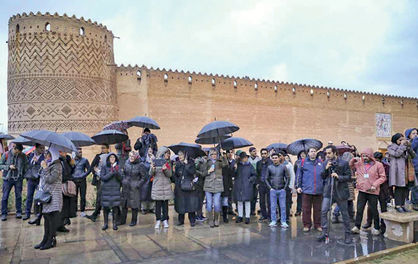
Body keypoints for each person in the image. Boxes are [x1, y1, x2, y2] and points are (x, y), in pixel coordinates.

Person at [317, 145, 352, 245]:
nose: (327, 155)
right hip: (328, 191)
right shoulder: (325, 163)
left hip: (341, 192)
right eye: (326, 153)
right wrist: (326, 169)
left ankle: (348, 235)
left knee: (345, 214)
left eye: (329, 153)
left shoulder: (344, 163)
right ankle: (324, 233)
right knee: (323, 211)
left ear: (335, 153)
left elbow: (349, 177)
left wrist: (339, 176)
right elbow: (322, 176)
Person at [350, 148, 386, 236]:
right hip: (362, 190)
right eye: (363, 156)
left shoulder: (378, 165)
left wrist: (375, 184)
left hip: (372, 191)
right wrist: (353, 159)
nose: (365, 158)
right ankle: (357, 226)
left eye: (366, 156)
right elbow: (350, 166)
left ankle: (376, 227)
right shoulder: (359, 164)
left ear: (370, 156)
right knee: (359, 209)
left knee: (374, 209)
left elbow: (383, 177)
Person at [34, 148, 62, 250]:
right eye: (46, 154)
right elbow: (41, 176)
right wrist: (43, 166)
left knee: (51, 219)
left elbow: (50, 179)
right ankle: (45, 239)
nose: (46, 156)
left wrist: (45, 168)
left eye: (48, 154)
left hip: (54, 196)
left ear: (53, 155)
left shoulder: (57, 166)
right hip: (46, 195)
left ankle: (51, 240)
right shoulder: (49, 164)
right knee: (46, 217)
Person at [296, 147, 325, 232]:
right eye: (311, 151)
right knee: (306, 209)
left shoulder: (321, 163)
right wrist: (298, 186)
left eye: (314, 151)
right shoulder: (303, 162)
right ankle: (307, 225)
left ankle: (318, 225)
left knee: (318, 209)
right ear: (308, 153)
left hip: (318, 190)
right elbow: (299, 175)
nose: (313, 153)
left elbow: (324, 175)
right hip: (306, 190)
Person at [363, 152, 390, 233]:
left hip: (382, 189)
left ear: (381, 159)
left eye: (377, 159)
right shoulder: (369, 165)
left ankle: (383, 224)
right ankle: (369, 222)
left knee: (383, 207)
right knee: (371, 206)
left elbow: (386, 177)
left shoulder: (386, 166)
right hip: (372, 189)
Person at [387, 133, 415, 213]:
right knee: (399, 188)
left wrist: (409, 147)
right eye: (400, 140)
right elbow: (397, 154)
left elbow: (413, 155)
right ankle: (397, 205)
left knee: (405, 188)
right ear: (395, 140)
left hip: (406, 170)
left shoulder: (405, 147)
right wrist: (402, 146)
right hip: (397, 171)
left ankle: (402, 205)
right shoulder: (390, 147)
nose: (402, 141)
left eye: (403, 139)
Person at [1, 143, 27, 221]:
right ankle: (4, 213)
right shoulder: (6, 154)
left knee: (18, 196)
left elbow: (26, 165)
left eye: (20, 152)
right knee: (5, 196)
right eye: (17, 152)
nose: (18, 153)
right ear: (14, 148)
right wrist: (8, 166)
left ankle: (18, 212)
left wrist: (23, 174)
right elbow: (0, 165)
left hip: (18, 179)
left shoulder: (23, 155)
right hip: (7, 179)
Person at [173, 151, 199, 226]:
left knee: (191, 204)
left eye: (181, 155)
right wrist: (177, 180)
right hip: (180, 187)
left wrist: (187, 164)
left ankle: (192, 220)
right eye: (179, 155)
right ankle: (181, 220)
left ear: (185, 155)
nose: (180, 156)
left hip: (189, 186)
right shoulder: (177, 164)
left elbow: (193, 172)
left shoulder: (191, 162)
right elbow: (175, 176)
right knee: (181, 204)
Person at [120, 151, 147, 226]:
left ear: (136, 157)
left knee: (134, 205)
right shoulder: (126, 163)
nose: (131, 158)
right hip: (126, 186)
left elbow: (144, 177)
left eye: (132, 156)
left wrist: (138, 184)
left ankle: (134, 220)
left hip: (134, 187)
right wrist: (123, 180)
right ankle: (122, 220)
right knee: (124, 204)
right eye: (130, 156)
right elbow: (123, 172)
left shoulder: (140, 165)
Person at [203, 148, 228, 228]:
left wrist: (222, 156)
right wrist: (208, 171)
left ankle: (216, 219)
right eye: (212, 154)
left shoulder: (219, 162)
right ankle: (210, 219)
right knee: (209, 204)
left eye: (215, 154)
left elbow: (225, 165)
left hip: (218, 185)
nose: (214, 156)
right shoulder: (207, 162)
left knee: (217, 204)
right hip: (208, 185)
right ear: (210, 155)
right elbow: (202, 173)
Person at [150, 146, 174, 229]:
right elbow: (151, 174)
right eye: (167, 153)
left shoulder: (168, 162)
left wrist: (165, 169)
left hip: (166, 186)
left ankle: (165, 220)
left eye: (169, 154)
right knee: (158, 205)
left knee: (165, 205)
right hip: (157, 186)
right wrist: (152, 168)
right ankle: (158, 220)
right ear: (163, 153)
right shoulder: (155, 161)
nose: (168, 155)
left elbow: (170, 174)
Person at [86, 144, 110, 222]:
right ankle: (96, 213)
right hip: (99, 179)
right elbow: (92, 166)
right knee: (99, 197)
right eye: (101, 148)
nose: (102, 149)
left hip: (108, 179)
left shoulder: (110, 156)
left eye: (104, 148)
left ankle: (110, 212)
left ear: (107, 149)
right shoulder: (98, 156)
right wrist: (95, 172)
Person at [266, 152, 289, 228]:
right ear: (271, 159)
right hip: (273, 190)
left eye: (276, 158)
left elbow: (288, 177)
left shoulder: (283, 167)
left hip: (281, 189)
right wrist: (270, 188)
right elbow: (266, 179)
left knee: (283, 207)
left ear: (279, 158)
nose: (275, 159)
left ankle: (283, 221)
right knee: (273, 206)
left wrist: (285, 188)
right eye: (273, 158)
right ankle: (273, 220)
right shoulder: (269, 167)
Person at [233, 151, 257, 224]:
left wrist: (249, 180)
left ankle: (247, 217)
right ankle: (240, 216)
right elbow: (233, 174)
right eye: (243, 158)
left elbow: (254, 175)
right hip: (239, 186)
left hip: (247, 186)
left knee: (247, 202)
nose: (245, 159)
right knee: (239, 202)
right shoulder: (238, 165)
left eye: (246, 157)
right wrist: (235, 169)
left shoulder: (250, 166)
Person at [100, 153, 121, 230]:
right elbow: (103, 177)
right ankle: (105, 223)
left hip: (115, 189)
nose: (112, 158)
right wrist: (111, 173)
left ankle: (114, 224)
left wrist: (117, 172)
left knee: (115, 207)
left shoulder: (118, 167)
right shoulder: (104, 167)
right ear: (108, 159)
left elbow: (121, 178)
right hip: (106, 190)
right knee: (106, 207)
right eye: (111, 157)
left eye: (114, 157)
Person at [24, 143, 45, 221]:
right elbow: (28, 166)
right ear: (36, 148)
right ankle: (27, 213)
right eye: (41, 148)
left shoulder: (44, 157)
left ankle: (37, 213)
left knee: (39, 197)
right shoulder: (31, 155)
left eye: (43, 148)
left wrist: (37, 162)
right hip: (30, 179)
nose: (42, 150)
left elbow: (44, 167)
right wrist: (32, 161)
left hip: (39, 180)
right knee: (29, 196)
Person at [57, 151, 75, 232]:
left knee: (65, 206)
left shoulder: (66, 160)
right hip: (59, 186)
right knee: (60, 207)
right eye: (62, 152)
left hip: (66, 187)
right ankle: (58, 225)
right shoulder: (57, 161)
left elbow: (70, 171)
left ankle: (62, 224)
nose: (64, 153)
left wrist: (72, 165)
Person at [72, 148, 90, 217]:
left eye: (81, 152)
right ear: (75, 153)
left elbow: (89, 169)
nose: (80, 153)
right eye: (79, 152)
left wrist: (84, 175)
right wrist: (72, 176)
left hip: (82, 180)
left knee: (82, 196)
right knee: (74, 196)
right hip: (74, 180)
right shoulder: (72, 160)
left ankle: (82, 210)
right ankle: (75, 210)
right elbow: (70, 169)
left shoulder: (85, 160)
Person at [256, 148, 272, 221]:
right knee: (261, 201)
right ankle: (263, 215)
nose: (264, 155)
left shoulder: (271, 162)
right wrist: (257, 183)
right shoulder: (258, 163)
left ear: (268, 154)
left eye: (265, 153)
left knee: (269, 201)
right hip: (261, 184)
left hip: (269, 184)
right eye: (262, 154)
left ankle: (270, 216)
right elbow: (257, 173)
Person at [405, 128, 418, 211]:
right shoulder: (409, 143)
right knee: (415, 187)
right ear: (408, 135)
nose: (416, 135)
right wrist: (416, 139)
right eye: (413, 133)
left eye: (416, 133)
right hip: (412, 168)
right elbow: (411, 149)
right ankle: (415, 202)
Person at [221, 149, 235, 223]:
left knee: (225, 201)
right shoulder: (217, 167)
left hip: (226, 185)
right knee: (220, 201)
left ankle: (225, 215)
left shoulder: (227, 167)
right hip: (219, 186)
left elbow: (230, 175)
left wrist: (230, 185)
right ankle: (221, 214)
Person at [140, 148, 155, 214]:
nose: (150, 151)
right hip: (145, 179)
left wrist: (153, 161)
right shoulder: (143, 160)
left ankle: (152, 208)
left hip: (152, 179)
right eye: (148, 149)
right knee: (144, 194)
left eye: (151, 149)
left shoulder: (155, 159)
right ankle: (144, 208)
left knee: (152, 194)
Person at [195, 155, 208, 221]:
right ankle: (198, 215)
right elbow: (196, 171)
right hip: (199, 184)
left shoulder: (204, 161)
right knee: (199, 200)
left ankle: (199, 214)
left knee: (200, 200)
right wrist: (202, 173)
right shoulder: (198, 161)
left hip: (202, 183)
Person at [293, 151, 306, 216]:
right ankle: (298, 210)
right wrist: (296, 183)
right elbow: (295, 172)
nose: (302, 155)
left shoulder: (308, 162)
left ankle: (305, 210)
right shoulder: (297, 162)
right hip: (299, 182)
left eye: (304, 153)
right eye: (301, 154)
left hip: (306, 182)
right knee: (299, 198)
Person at [248, 147, 260, 216]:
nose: (255, 152)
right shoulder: (248, 159)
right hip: (249, 180)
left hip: (256, 180)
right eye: (253, 151)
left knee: (255, 196)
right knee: (249, 196)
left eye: (256, 151)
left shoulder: (258, 159)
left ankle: (253, 210)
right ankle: (248, 210)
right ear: (250, 152)